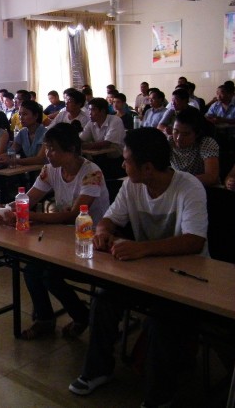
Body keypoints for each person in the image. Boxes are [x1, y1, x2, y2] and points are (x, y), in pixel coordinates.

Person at [69, 128, 208, 408]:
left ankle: (160, 394)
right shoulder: (132, 185)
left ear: (147, 168)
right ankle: (98, 369)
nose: (123, 165)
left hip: (187, 278)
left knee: (161, 320)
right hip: (145, 272)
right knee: (104, 299)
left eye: (127, 160)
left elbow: (194, 241)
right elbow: (109, 219)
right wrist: (103, 232)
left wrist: (142, 248)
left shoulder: (189, 187)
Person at [0, 123, 109, 339]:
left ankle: (81, 315)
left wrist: (28, 215)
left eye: (53, 149)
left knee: (49, 275)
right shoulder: (50, 169)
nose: (48, 154)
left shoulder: (91, 172)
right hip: (62, 236)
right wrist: (6, 209)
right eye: (47, 148)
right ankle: (45, 320)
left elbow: (73, 215)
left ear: (71, 149)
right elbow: (29, 198)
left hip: (89, 240)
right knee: (31, 270)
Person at [170, 107, 220, 187]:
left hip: (205, 188)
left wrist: (180, 181)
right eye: (176, 131)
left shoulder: (206, 143)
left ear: (197, 134)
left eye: (186, 134)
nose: (179, 138)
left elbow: (211, 177)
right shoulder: (169, 142)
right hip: (179, 187)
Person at [0, 100, 46, 166]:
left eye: (25, 114)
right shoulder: (22, 132)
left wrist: (14, 161)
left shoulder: (46, 134)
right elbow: (12, 151)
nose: (21, 118)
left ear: (35, 116)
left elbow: (40, 159)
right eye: (20, 114)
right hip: (30, 169)